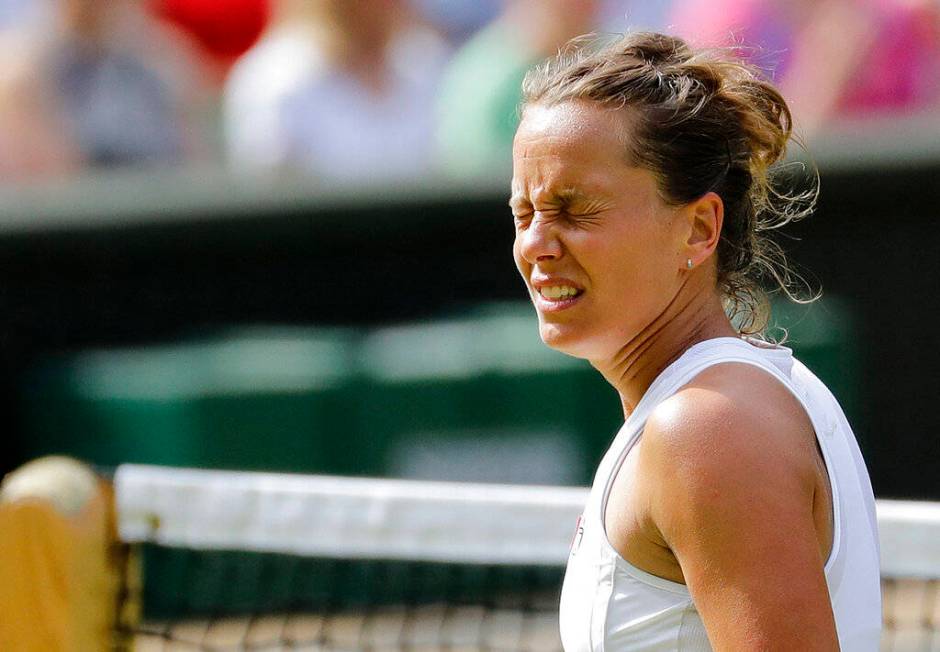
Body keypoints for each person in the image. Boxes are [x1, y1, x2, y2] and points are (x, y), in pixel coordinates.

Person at [509, 32, 881, 650]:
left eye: (575, 210)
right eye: (524, 214)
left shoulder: (707, 430)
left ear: (699, 228)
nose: (536, 245)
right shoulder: (726, 407)